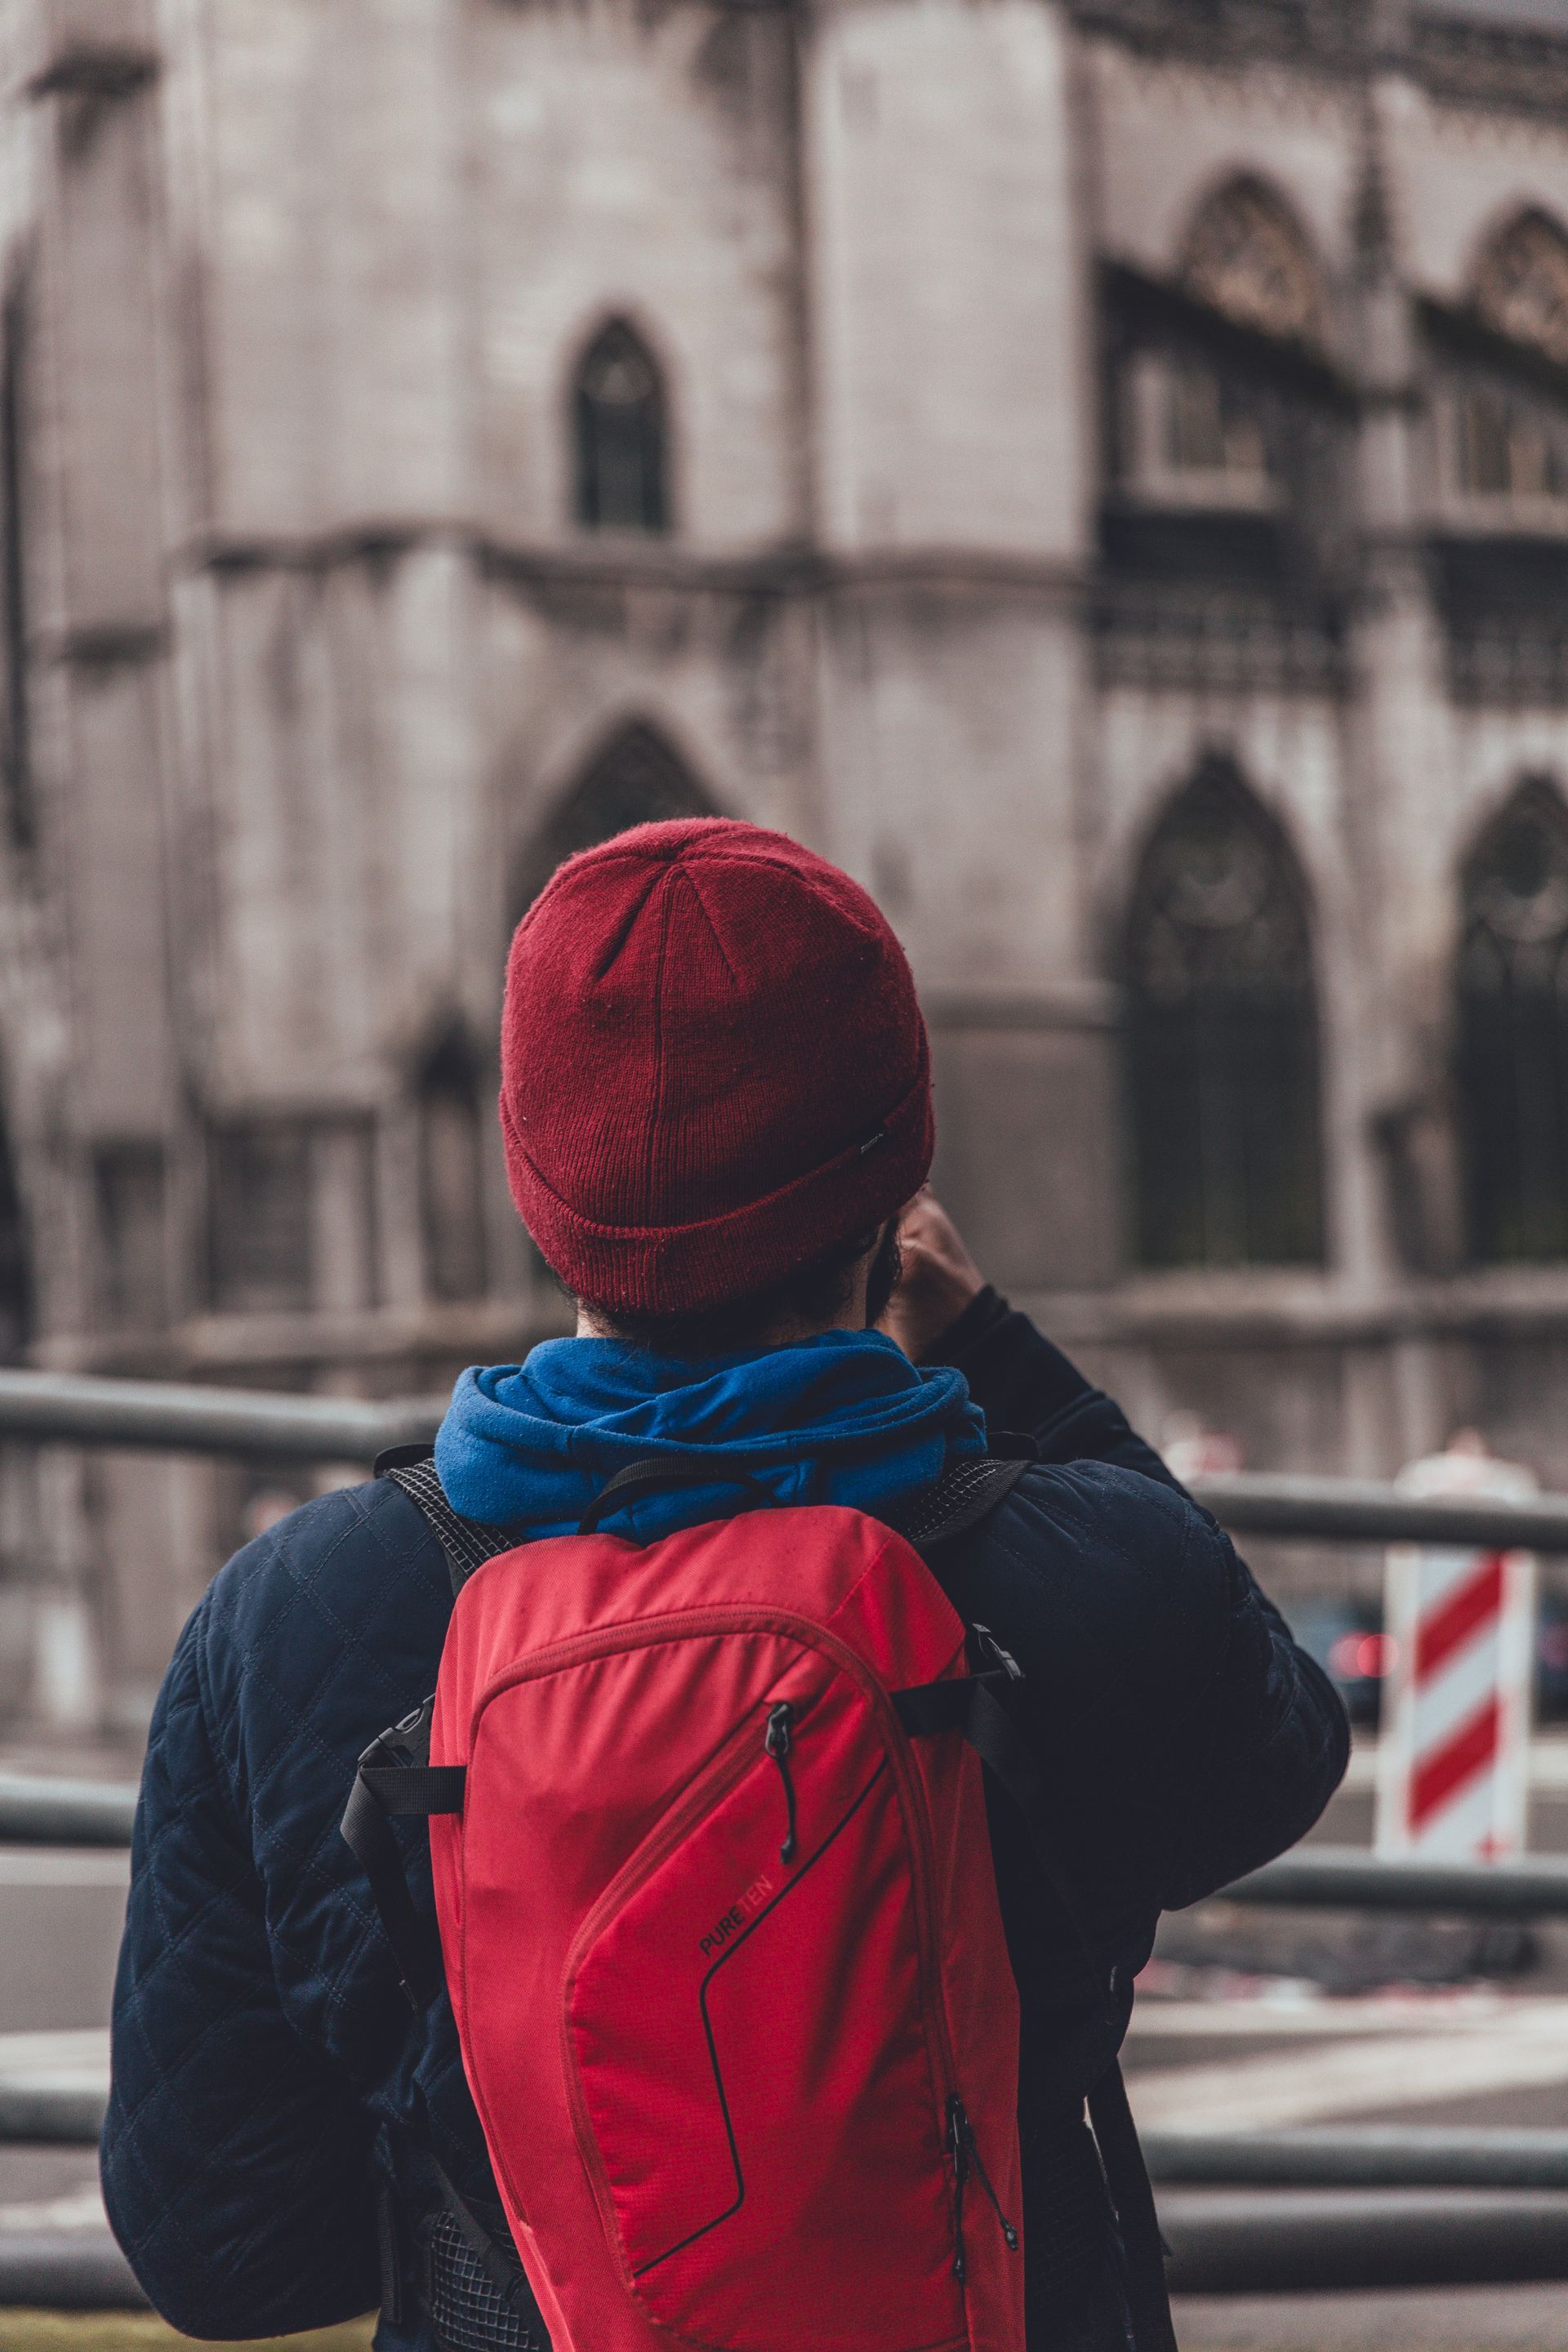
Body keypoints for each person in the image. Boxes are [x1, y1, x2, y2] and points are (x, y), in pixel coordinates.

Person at [101, 818, 1348, 2351]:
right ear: (899, 1179)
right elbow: (1275, 1762)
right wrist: (1001, 1356)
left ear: (540, 1181)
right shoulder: (1090, 1574)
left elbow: (222, 2248)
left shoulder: (289, 1621)